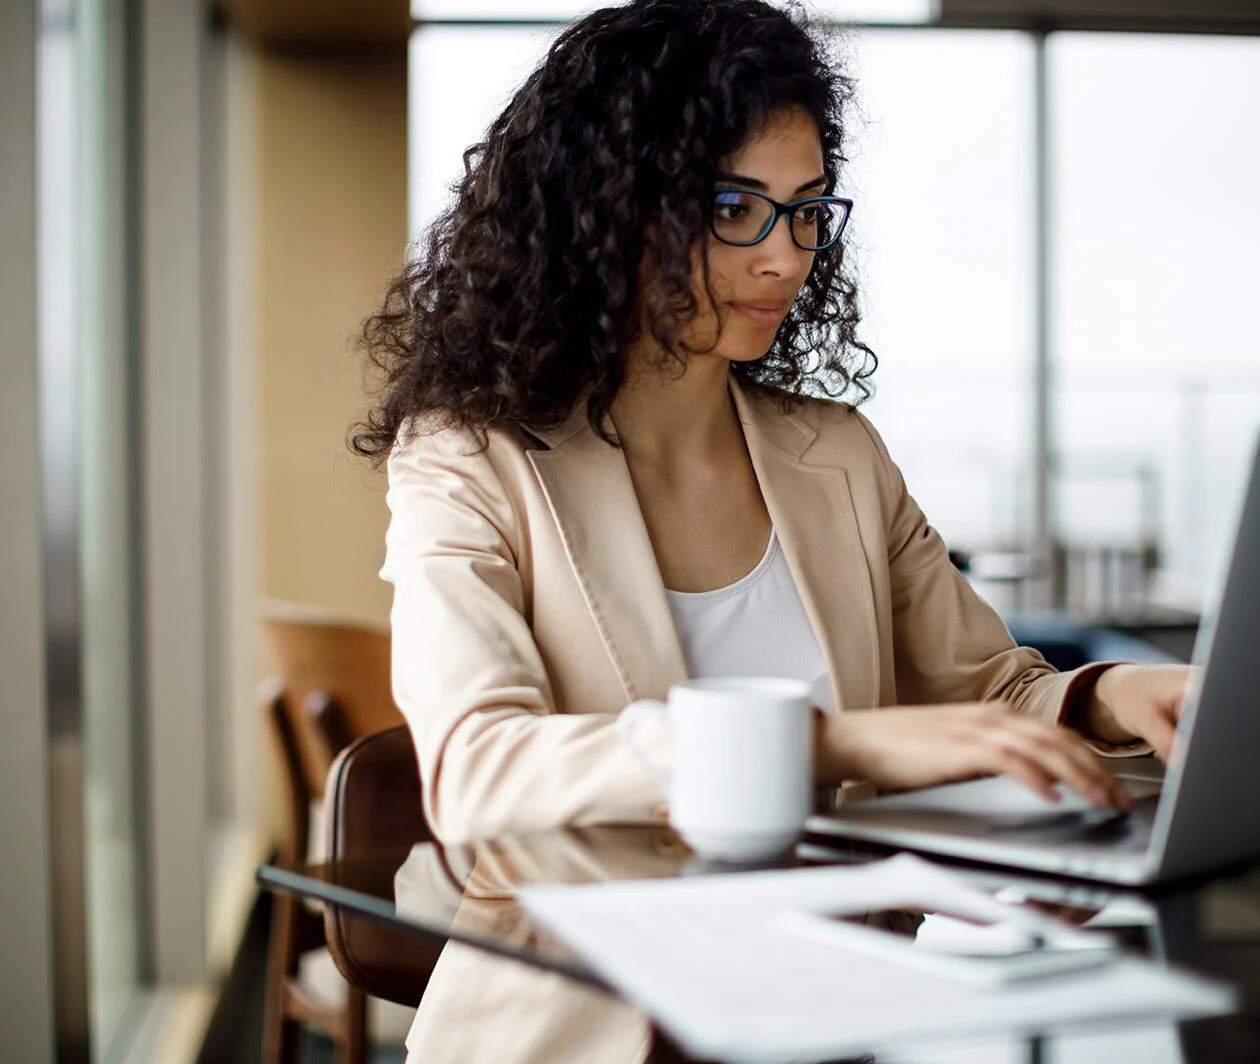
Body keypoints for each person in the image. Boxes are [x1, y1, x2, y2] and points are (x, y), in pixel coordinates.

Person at [353, 2, 1190, 1058]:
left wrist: (1119, 691)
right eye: (729, 205)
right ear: (602, 208)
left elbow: (986, 693)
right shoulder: (472, 456)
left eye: (805, 211)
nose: (784, 258)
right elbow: (480, 766)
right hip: (581, 1026)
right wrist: (820, 742)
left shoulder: (837, 455)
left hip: (833, 1016)